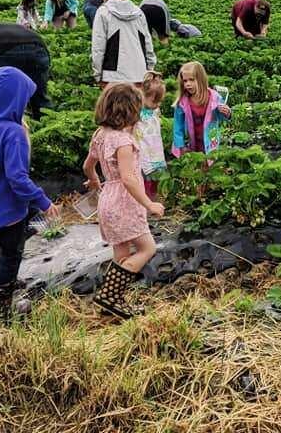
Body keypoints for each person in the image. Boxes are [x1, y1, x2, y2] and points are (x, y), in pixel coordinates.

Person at [0, 67, 60, 321]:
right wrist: (44, 201)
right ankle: (2, 307)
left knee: (25, 223)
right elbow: (17, 178)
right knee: (12, 252)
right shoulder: (13, 132)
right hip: (8, 201)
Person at [83, 83, 164, 319]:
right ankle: (110, 295)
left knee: (121, 252)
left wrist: (95, 182)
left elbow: (88, 166)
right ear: (131, 110)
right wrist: (149, 204)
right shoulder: (123, 142)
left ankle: (113, 304)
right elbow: (129, 179)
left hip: (107, 198)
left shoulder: (100, 135)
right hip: (125, 202)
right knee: (147, 248)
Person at [91, 0, 156, 86]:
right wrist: (150, 69)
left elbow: (98, 48)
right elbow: (148, 44)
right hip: (139, 74)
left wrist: (97, 75)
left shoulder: (103, 12)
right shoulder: (139, 13)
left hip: (112, 77)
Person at [171, 61, 231, 158]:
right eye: (185, 81)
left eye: (191, 80)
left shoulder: (214, 97)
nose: (187, 84)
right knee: (197, 164)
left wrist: (227, 113)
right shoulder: (183, 102)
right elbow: (178, 126)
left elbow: (220, 117)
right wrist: (180, 146)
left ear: (201, 79)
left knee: (211, 164)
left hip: (211, 141)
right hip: (193, 143)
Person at [135, 71, 167, 201]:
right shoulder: (137, 112)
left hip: (155, 150)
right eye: (154, 100)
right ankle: (144, 203)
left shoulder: (155, 111)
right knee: (143, 178)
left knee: (156, 177)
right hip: (142, 150)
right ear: (143, 95)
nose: (157, 104)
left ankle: (153, 201)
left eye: (159, 101)